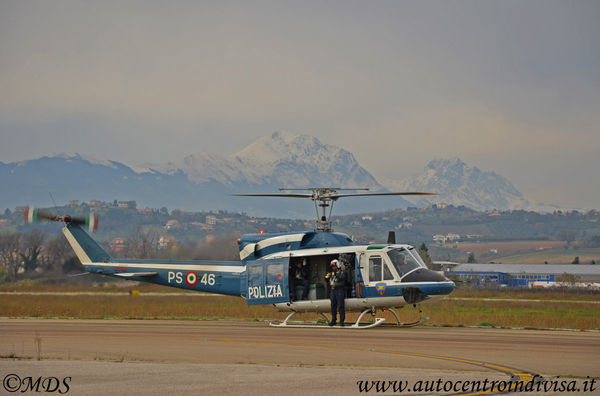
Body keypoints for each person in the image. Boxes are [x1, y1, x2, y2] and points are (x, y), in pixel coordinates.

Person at [325, 259, 347, 326]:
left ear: (337, 265)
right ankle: (333, 320)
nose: (333, 268)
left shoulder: (342, 272)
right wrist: (327, 277)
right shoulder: (331, 273)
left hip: (339, 290)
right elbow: (326, 279)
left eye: (334, 266)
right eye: (332, 267)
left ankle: (341, 321)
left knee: (340, 305)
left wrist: (336, 275)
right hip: (333, 290)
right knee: (333, 306)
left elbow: (342, 278)